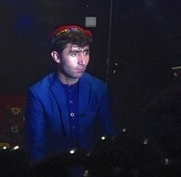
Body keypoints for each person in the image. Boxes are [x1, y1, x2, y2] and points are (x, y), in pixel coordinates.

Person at [25, 25, 118, 162]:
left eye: (86, 52)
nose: (82, 61)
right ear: (57, 57)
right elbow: (36, 148)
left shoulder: (99, 89)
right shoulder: (38, 93)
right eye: (74, 53)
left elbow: (110, 139)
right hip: (54, 170)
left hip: (92, 169)